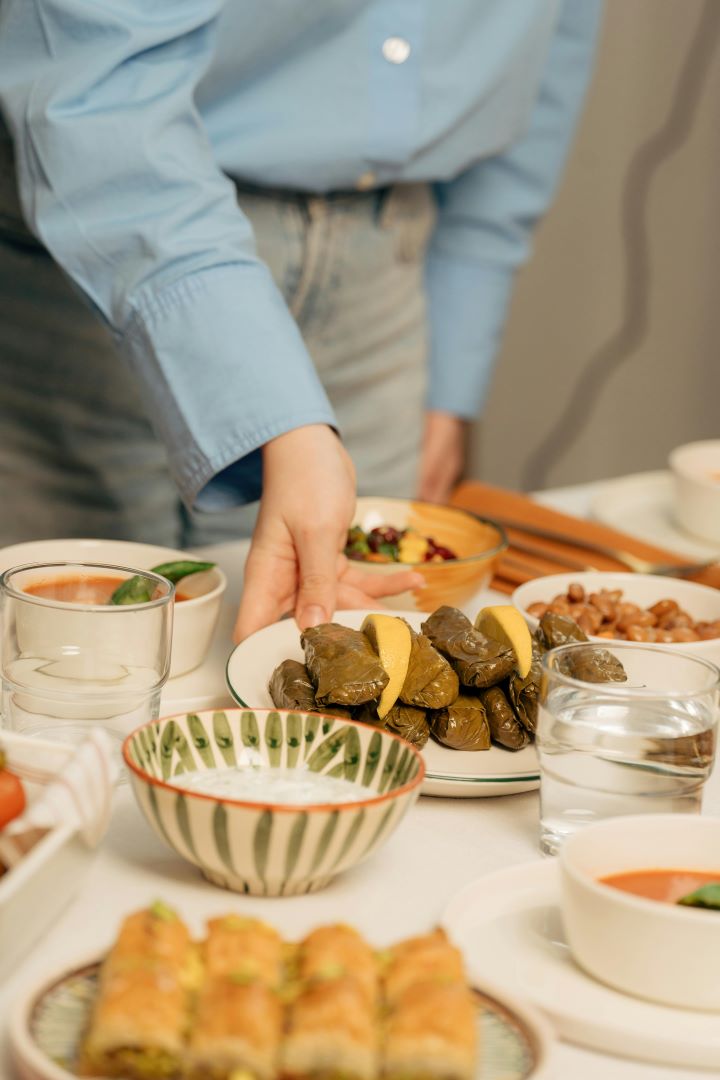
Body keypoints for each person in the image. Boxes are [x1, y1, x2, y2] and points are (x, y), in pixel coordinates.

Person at [0, 1, 602, 641]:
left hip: (386, 279)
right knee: (63, 662)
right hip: (100, 257)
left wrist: (452, 370)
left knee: (331, 669)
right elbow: (94, 79)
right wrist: (277, 414)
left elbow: (546, 56)